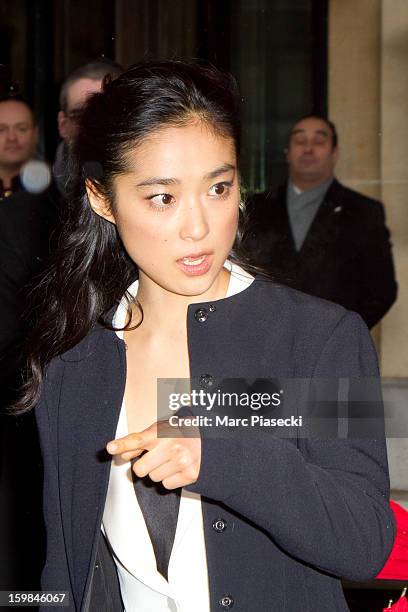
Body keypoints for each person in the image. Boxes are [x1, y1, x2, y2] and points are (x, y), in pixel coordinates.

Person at [17, 62, 395, 611]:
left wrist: (222, 453)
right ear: (102, 199)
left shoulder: (313, 337)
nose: (199, 227)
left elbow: (364, 541)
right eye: (163, 198)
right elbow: (64, 567)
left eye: (219, 187)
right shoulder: (75, 358)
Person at [242, 115, 397, 329]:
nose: (308, 148)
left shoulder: (363, 212)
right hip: (265, 341)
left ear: (334, 153)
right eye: (300, 141)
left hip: (333, 346)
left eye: (319, 141)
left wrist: (344, 332)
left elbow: (382, 291)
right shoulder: (254, 208)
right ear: (288, 153)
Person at [54, 59, 123, 194]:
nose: (91, 125)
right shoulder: (28, 208)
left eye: (105, 113)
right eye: (79, 115)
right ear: (63, 125)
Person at [0, 96, 38, 199]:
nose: (12, 138)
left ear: (35, 134)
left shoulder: (54, 194)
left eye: (21, 129)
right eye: (1, 130)